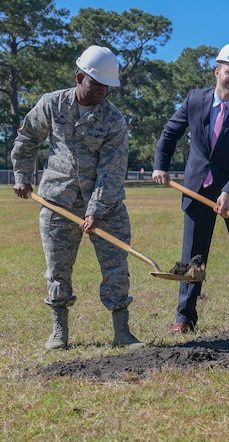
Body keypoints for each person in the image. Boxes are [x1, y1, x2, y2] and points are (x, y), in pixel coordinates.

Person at [11, 45, 144, 350]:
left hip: (106, 205)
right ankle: (59, 331)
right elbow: (28, 137)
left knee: (116, 267)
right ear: (79, 76)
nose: (103, 91)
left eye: (107, 86)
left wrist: (96, 209)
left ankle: (122, 331)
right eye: (97, 84)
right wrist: (22, 174)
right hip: (58, 200)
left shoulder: (114, 120)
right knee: (57, 268)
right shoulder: (53, 104)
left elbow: (112, 169)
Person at [152, 42, 229, 333]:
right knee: (193, 257)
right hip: (197, 189)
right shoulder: (195, 100)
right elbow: (170, 132)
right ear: (217, 71)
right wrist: (161, 165)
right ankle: (184, 318)